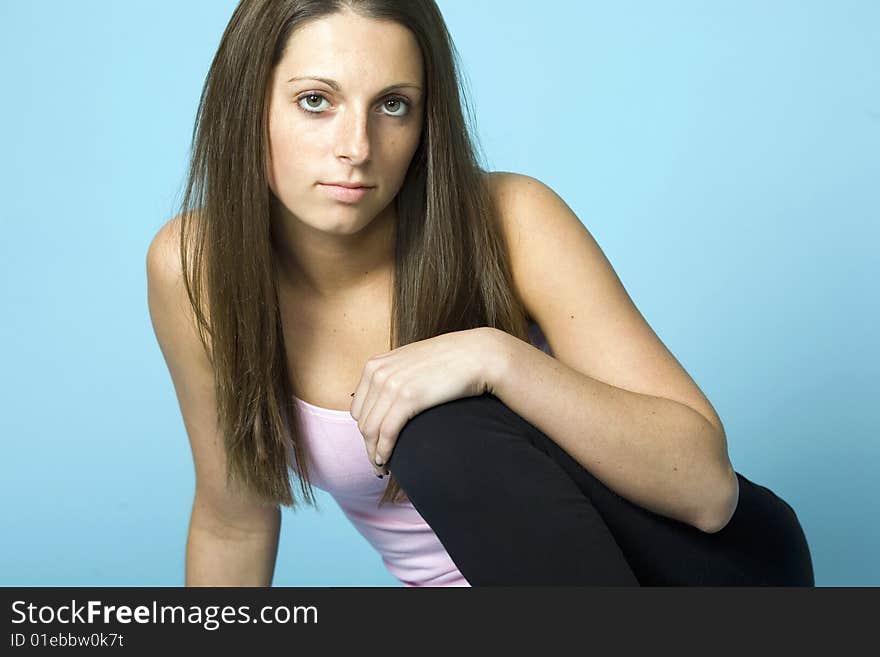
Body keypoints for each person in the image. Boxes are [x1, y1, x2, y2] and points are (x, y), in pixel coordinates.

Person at [146, 0, 814, 586]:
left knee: (439, 425)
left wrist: (499, 359)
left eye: (393, 105)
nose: (357, 147)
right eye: (315, 100)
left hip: (698, 575)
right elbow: (234, 520)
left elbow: (706, 489)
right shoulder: (195, 270)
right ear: (247, 103)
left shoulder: (512, 219)